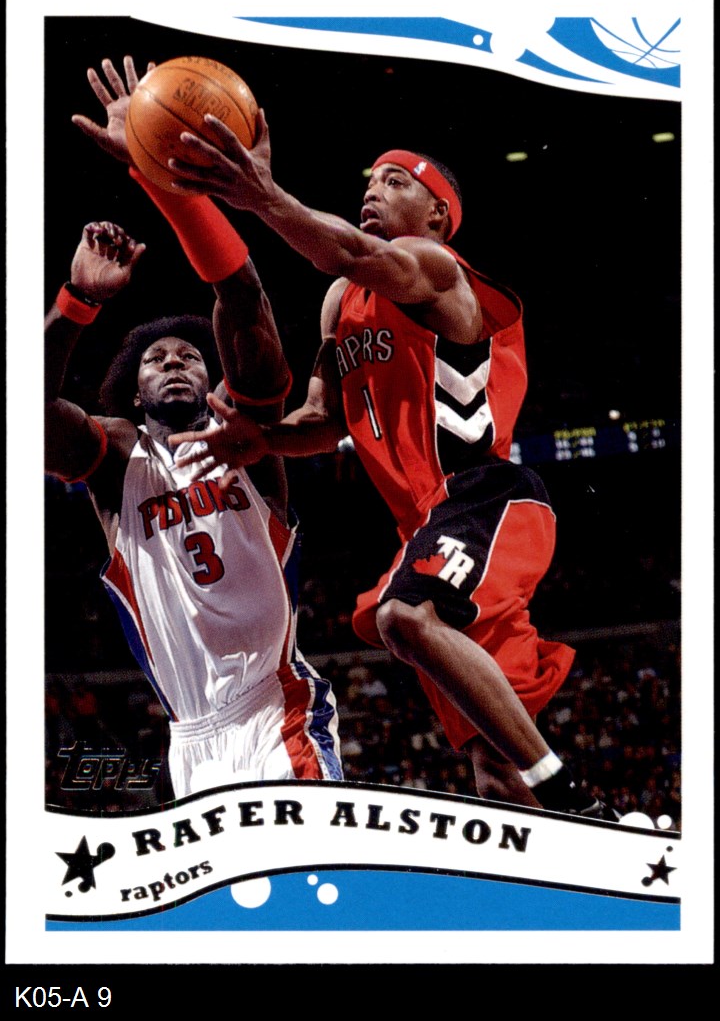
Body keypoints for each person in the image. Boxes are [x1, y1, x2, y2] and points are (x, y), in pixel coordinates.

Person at [163, 109, 621, 821]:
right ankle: (582, 855)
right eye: (370, 180)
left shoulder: (437, 269)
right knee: (494, 771)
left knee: (403, 615)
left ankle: (583, 805)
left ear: (438, 214)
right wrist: (262, 439)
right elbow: (323, 422)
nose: (372, 189)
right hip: (426, 528)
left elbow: (346, 252)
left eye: (395, 181)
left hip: (487, 496)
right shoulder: (341, 304)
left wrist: (263, 197)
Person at [45, 59, 343, 799]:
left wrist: (157, 174)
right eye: (157, 359)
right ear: (132, 391)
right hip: (189, 739)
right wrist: (77, 302)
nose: (176, 361)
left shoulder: (248, 439)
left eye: (189, 356)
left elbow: (241, 294)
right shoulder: (117, 459)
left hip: (278, 711)